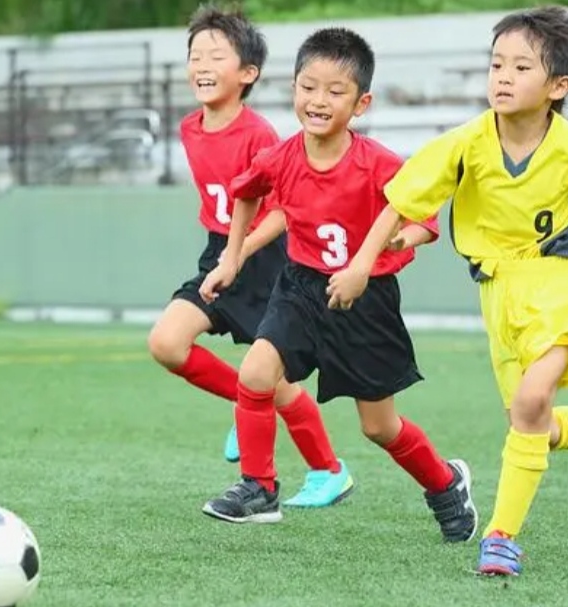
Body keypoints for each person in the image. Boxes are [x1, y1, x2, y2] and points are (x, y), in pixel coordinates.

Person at [329, 5, 568, 576]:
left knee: (532, 404)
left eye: (521, 67)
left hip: (559, 283)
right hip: (496, 292)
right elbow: (401, 203)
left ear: (559, 86)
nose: (503, 77)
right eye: (496, 65)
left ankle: (500, 536)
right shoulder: (465, 143)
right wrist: (364, 263)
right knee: (531, 421)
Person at [198, 26, 477, 540]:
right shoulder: (281, 157)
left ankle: (445, 484)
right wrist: (232, 259)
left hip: (366, 303)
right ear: (293, 89)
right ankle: (258, 488)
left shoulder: (380, 164)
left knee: (379, 428)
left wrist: (393, 246)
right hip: (301, 286)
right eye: (308, 87)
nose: (318, 100)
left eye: (335, 91)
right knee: (257, 372)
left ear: (362, 103)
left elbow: (426, 223)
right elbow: (245, 195)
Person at [146, 4, 354, 509]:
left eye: (216, 55)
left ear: (248, 73)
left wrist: (237, 255)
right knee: (167, 343)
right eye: (195, 55)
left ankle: (328, 470)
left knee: (272, 381)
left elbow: (283, 210)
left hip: (264, 261)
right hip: (218, 253)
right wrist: (223, 255)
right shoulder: (189, 128)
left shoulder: (260, 135)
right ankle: (248, 407)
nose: (202, 65)